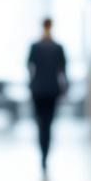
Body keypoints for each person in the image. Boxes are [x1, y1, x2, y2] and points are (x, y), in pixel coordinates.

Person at [28, 18, 67, 170]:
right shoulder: (58, 48)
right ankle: (45, 155)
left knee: (41, 124)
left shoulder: (35, 47)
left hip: (38, 90)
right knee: (48, 124)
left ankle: (43, 154)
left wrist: (32, 83)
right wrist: (64, 90)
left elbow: (29, 68)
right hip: (52, 90)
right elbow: (63, 72)